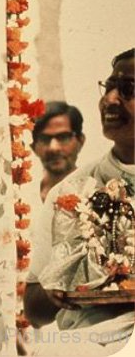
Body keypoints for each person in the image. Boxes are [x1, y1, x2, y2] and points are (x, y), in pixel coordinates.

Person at [24, 48, 135, 355]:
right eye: (109, 87)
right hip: (88, 343)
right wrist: (57, 286)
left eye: (128, 89)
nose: (110, 99)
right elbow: (34, 309)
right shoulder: (71, 192)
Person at [31, 101, 85, 203]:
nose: (53, 148)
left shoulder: (93, 190)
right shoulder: (24, 195)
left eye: (63, 137)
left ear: (80, 141)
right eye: (44, 139)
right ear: (33, 147)